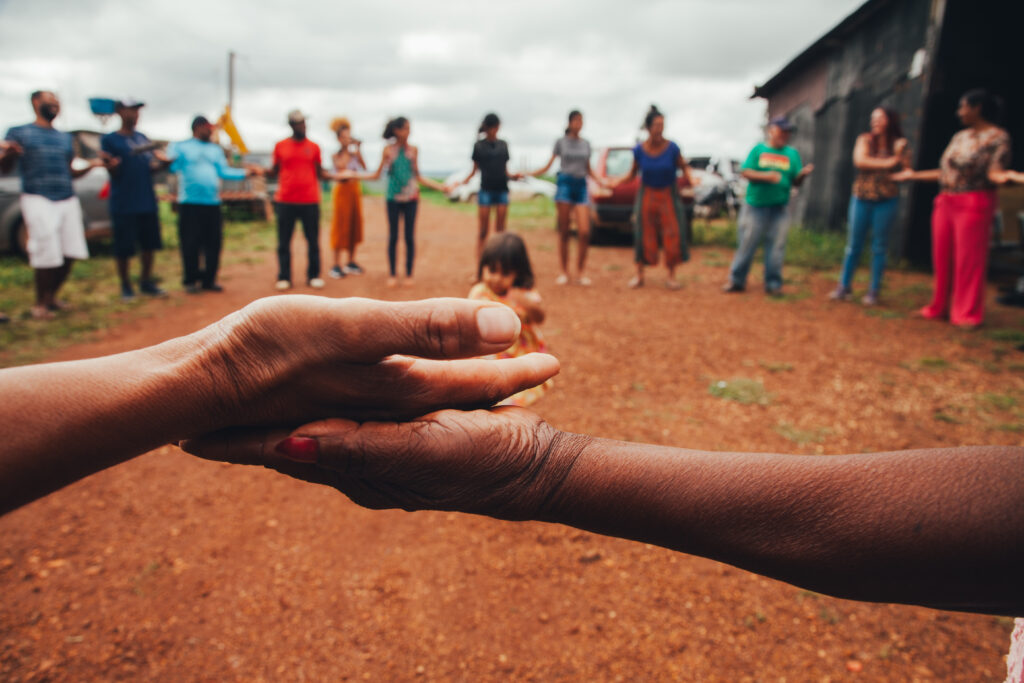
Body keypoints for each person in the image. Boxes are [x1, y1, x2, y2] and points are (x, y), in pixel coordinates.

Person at [893, 89, 1024, 328]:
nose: (959, 112)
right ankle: (938, 306)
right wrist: (913, 176)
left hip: (974, 202)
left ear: (977, 108)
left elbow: (994, 172)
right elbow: (946, 172)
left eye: (963, 107)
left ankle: (966, 313)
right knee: (942, 257)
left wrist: (1010, 178)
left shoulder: (998, 137)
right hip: (946, 200)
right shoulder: (960, 137)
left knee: (968, 260)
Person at [1, 90, 105, 320]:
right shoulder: (19, 133)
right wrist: (9, 153)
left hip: (67, 197)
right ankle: (39, 304)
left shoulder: (64, 138)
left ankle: (52, 297)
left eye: (58, 102)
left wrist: (93, 164)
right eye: (51, 101)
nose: (56, 106)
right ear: (36, 102)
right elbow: (5, 168)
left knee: (71, 250)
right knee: (45, 250)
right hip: (38, 197)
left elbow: (71, 172)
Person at [724, 116, 814, 296]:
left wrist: (802, 175)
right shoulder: (759, 150)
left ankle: (773, 284)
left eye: (787, 132)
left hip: (779, 208)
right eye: (782, 130)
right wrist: (767, 176)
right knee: (747, 244)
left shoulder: (792, 154)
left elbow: (795, 181)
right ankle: (737, 280)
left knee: (776, 247)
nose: (785, 135)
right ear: (771, 130)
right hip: (755, 206)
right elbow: (745, 171)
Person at [352, 116, 446, 287]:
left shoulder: (414, 150)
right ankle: (393, 273)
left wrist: (441, 187)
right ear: (396, 130)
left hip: (411, 198)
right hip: (392, 198)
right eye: (406, 128)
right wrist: (352, 175)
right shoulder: (388, 150)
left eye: (409, 128)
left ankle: (409, 273)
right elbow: (376, 175)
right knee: (393, 237)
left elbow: (418, 176)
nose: (409, 132)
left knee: (409, 237)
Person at [167, 116, 257, 294]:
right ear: (198, 128)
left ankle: (209, 279)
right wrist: (165, 159)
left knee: (214, 243)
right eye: (208, 128)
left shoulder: (215, 150)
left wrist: (245, 173)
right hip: (190, 204)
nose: (212, 131)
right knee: (190, 243)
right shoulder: (181, 147)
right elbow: (171, 167)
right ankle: (191, 280)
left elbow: (223, 171)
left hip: (212, 203)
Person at [829, 108, 910, 306]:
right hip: (862, 197)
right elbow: (860, 161)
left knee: (879, 246)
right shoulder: (864, 139)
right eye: (873, 117)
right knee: (853, 245)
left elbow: (907, 170)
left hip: (886, 199)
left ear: (890, 120)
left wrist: (898, 159)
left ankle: (874, 291)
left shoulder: (900, 144)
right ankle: (844, 286)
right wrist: (889, 162)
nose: (875, 121)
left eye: (879, 118)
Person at [610, 105, 693, 290]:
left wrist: (691, 177)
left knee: (672, 232)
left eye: (662, 124)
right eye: (656, 125)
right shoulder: (639, 150)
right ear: (648, 128)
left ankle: (671, 276)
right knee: (642, 232)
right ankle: (639, 275)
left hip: (668, 194)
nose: (660, 128)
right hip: (647, 193)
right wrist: (616, 182)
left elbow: (684, 166)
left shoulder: (672, 148)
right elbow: (632, 174)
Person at [469, 232, 551, 406]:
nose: (497, 278)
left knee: (515, 393)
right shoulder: (480, 292)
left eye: (505, 273)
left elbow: (540, 317)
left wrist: (527, 304)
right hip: (490, 352)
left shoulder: (523, 293)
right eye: (492, 270)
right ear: (482, 266)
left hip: (520, 353)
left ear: (518, 272)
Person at [101, 98, 169, 301]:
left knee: (149, 245)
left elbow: (151, 168)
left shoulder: (142, 138)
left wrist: (164, 164)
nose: (135, 115)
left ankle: (146, 281)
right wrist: (110, 165)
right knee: (124, 247)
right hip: (124, 202)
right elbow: (111, 170)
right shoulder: (110, 140)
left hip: (146, 200)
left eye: (137, 111)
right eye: (131, 110)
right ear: (120, 112)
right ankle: (125, 285)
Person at [528, 110, 604, 286]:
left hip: (581, 186)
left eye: (581, 120)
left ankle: (581, 272)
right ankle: (564, 271)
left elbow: (589, 169)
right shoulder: (560, 142)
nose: (579, 124)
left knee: (584, 231)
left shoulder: (586, 144)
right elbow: (548, 165)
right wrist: (530, 173)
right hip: (564, 185)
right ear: (569, 123)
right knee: (564, 231)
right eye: (576, 120)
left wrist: (602, 182)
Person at [270, 110, 339, 291]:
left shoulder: (314, 147)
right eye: (299, 123)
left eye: (304, 123)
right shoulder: (280, 146)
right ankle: (284, 277)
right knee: (284, 241)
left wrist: (339, 176)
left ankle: (314, 275)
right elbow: (274, 170)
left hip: (309, 201)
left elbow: (320, 172)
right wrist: (257, 171)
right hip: (285, 200)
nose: (303, 126)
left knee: (313, 241)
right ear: (292, 125)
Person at [450, 113, 522, 262]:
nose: (496, 130)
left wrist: (514, 176)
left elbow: (505, 170)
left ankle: (500, 264)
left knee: (501, 232)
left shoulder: (503, 145)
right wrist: (461, 182)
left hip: (502, 189)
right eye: (494, 127)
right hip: (486, 190)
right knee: (483, 231)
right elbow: (473, 171)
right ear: (489, 128)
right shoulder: (479, 146)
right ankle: (481, 267)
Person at [328, 117, 366, 279]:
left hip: (354, 191)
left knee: (354, 224)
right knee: (340, 225)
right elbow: (341, 167)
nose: (347, 139)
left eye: (349, 136)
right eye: (344, 137)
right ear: (338, 139)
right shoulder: (337, 155)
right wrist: (349, 150)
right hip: (342, 192)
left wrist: (358, 150)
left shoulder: (354, 154)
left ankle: (351, 261)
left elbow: (364, 167)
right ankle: (336, 264)